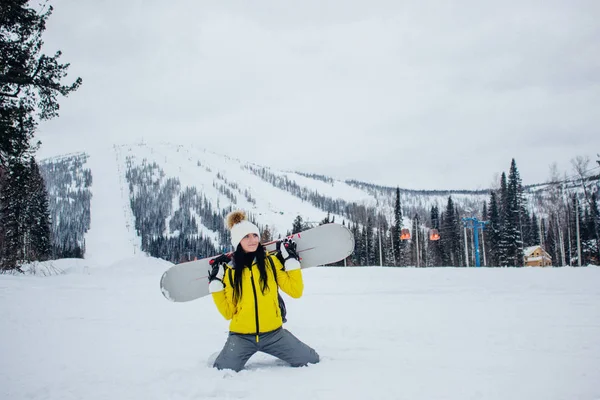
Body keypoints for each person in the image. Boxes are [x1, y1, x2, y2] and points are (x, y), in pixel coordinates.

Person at [208, 210, 320, 372]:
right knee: (222, 369)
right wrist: (216, 285)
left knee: (310, 359)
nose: (252, 240)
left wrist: (290, 261)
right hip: (241, 336)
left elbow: (295, 291)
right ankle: (227, 353)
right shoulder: (231, 272)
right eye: (246, 236)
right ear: (238, 241)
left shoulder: (271, 262)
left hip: (274, 334)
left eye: (255, 235)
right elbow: (228, 312)